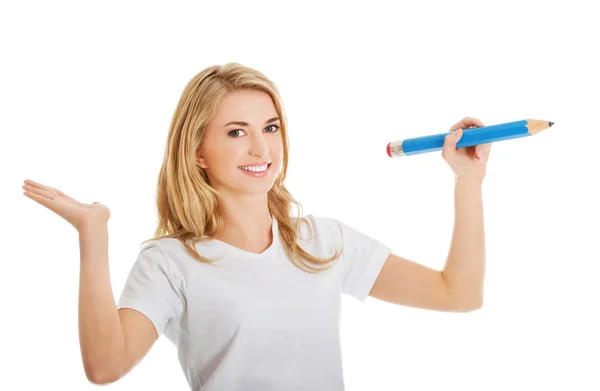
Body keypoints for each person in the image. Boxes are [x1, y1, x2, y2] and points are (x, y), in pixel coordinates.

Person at [21, 62, 491, 390]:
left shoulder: (324, 242)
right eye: (236, 132)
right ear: (197, 152)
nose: (262, 150)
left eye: (270, 128)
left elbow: (459, 294)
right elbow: (105, 366)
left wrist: (468, 182)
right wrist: (93, 234)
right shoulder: (170, 263)